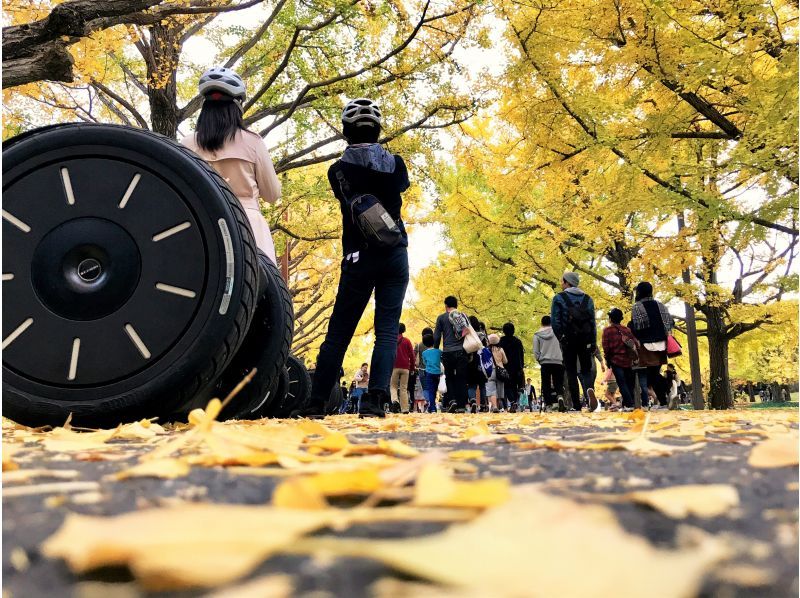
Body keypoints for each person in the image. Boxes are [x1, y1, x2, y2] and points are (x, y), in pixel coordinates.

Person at [293, 98, 410, 418]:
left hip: (359, 256)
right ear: (378, 129)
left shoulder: (338, 171)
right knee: (387, 331)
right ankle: (375, 400)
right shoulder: (396, 164)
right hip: (395, 253)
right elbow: (403, 184)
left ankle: (316, 403)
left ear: (345, 131)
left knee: (339, 332)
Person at [182, 67, 281, 263]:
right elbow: (272, 194)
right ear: (238, 107)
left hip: (202, 225)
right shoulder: (253, 142)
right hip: (248, 224)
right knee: (261, 285)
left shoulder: (187, 144)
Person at [550, 272, 596, 412]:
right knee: (586, 369)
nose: (561, 283)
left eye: (562, 281)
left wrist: (561, 338)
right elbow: (593, 322)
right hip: (585, 339)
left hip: (568, 339)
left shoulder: (559, 298)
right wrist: (593, 341)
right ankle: (589, 393)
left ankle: (576, 404)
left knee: (570, 371)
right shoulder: (588, 299)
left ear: (566, 282)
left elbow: (555, 321)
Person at [629, 281, 674, 409]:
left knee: (650, 375)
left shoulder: (637, 307)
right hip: (662, 344)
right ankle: (664, 401)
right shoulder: (661, 305)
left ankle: (669, 389)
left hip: (647, 344)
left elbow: (637, 327)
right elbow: (671, 322)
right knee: (654, 373)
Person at [433, 296, 469, 412]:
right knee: (461, 378)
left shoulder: (442, 318)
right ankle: (461, 405)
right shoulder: (463, 316)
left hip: (448, 352)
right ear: (456, 305)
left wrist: (435, 349)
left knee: (449, 377)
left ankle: (452, 400)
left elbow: (437, 336)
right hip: (461, 351)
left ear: (446, 305)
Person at [601, 308, 640, 411]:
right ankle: (628, 404)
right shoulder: (627, 330)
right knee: (628, 382)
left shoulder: (607, 330)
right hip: (627, 359)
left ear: (610, 318)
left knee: (622, 383)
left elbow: (606, 347)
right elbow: (635, 343)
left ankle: (629, 404)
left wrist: (607, 360)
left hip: (615, 360)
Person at [533, 315, 565, 412]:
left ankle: (548, 405)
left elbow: (536, 350)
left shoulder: (537, 335)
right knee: (558, 382)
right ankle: (560, 397)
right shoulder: (557, 332)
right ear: (551, 323)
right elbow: (562, 345)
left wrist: (539, 359)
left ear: (542, 323)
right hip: (558, 360)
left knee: (546, 383)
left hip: (545, 362)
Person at [498, 322, 525, 408]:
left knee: (507, 386)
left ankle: (512, 401)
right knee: (515, 386)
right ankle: (515, 401)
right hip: (516, 367)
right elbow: (521, 355)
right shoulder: (518, 341)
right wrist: (521, 367)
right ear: (513, 330)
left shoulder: (501, 341)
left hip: (505, 367)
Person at [390, 323, 415, 413]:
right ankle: (405, 409)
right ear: (403, 330)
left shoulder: (391, 341)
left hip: (394, 367)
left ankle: (395, 401)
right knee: (404, 388)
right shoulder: (407, 341)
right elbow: (412, 356)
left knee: (393, 387)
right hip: (405, 368)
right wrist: (412, 368)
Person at [467, 315, 488, 412]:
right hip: (481, 362)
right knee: (482, 385)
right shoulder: (482, 335)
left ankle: (473, 401)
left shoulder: (467, 335)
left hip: (471, 361)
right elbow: (486, 348)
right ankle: (483, 405)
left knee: (472, 384)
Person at [486, 334, 508, 412]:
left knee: (491, 389)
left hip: (490, 370)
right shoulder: (500, 349)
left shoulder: (486, 350)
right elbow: (505, 361)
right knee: (500, 389)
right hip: (500, 371)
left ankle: (493, 406)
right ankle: (500, 406)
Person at [421, 333, 442, 413]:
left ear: (424, 343)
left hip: (429, 372)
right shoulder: (438, 351)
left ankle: (432, 408)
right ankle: (431, 407)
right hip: (437, 373)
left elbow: (424, 362)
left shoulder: (424, 353)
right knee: (435, 390)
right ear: (433, 341)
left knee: (430, 390)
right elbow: (441, 359)